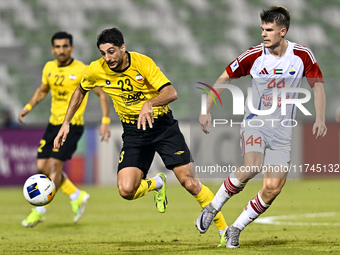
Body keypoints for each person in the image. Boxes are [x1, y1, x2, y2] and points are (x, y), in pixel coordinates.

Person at [53, 27, 228, 236]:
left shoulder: (143, 63)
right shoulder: (95, 70)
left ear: (123, 48)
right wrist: (66, 123)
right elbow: (80, 90)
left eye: (111, 51)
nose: (107, 58)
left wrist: (149, 103)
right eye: (103, 53)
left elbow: (171, 92)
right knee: (126, 190)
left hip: (162, 126)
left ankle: (224, 231)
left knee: (189, 183)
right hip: (134, 132)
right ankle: (156, 183)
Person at [195, 6, 327, 248]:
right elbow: (225, 76)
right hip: (255, 123)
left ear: (283, 31)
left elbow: (317, 86)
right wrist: (207, 108)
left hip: (283, 130)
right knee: (252, 166)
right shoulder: (254, 55)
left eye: (269, 30)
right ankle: (213, 206)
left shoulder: (302, 56)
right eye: (262, 29)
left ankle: (235, 228)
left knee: (272, 188)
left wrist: (319, 118)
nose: (264, 34)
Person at [19, 31, 111, 227]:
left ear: (72, 48)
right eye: (58, 47)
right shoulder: (49, 67)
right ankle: (77, 195)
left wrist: (105, 120)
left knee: (54, 166)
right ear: (53, 49)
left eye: (65, 46)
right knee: (41, 168)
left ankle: (39, 210)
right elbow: (42, 90)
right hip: (53, 125)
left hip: (72, 126)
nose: (61, 50)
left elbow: (102, 94)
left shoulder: (82, 69)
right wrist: (28, 107)